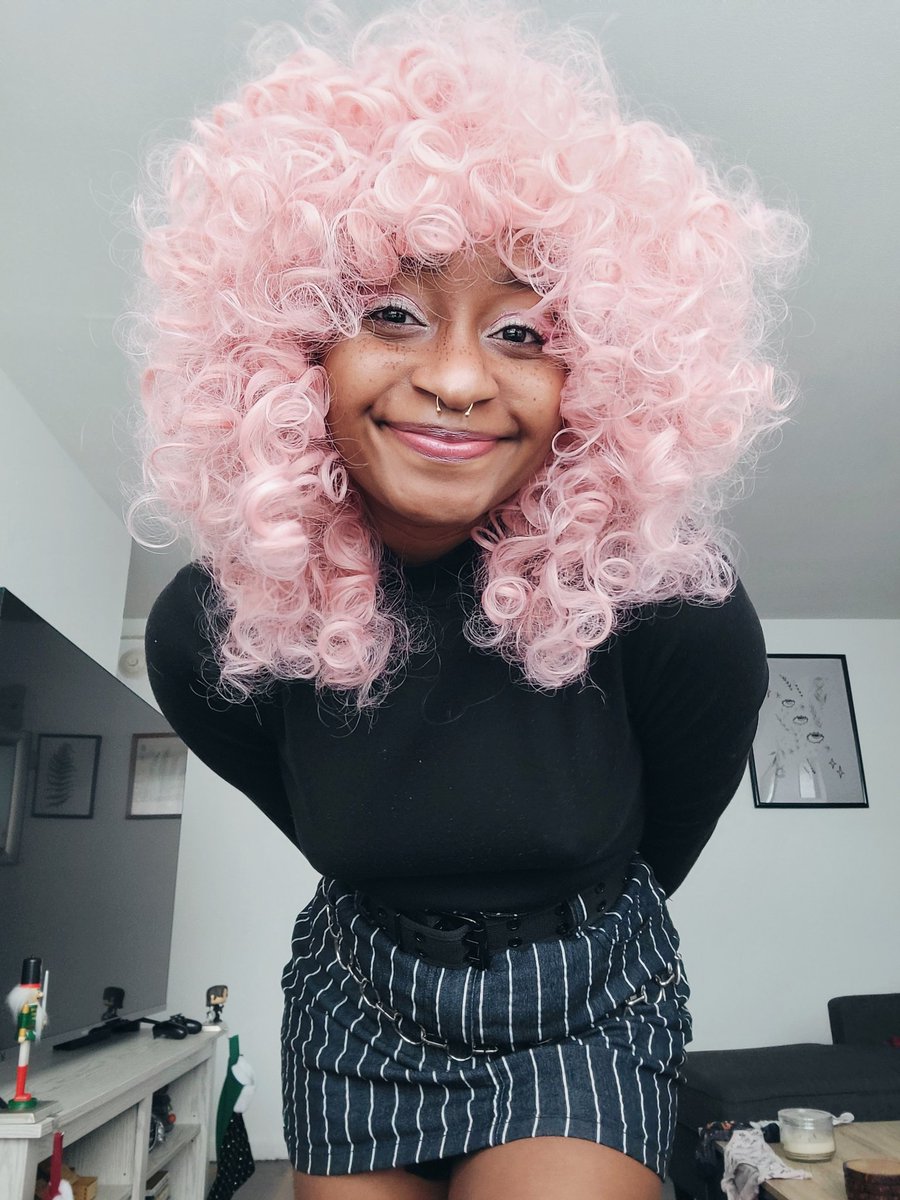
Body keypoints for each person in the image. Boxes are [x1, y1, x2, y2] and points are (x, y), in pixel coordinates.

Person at [137, 3, 803, 1196]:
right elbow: (330, 825)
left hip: (589, 998)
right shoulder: (212, 626)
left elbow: (659, 846)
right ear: (291, 350)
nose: (454, 378)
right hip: (360, 998)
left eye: (522, 330)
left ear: (599, 374)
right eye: (391, 313)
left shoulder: (675, 609)